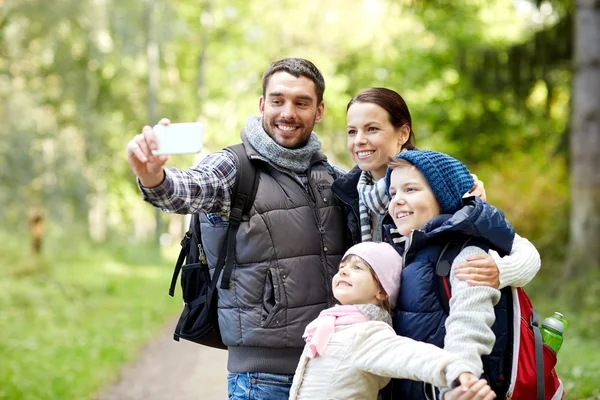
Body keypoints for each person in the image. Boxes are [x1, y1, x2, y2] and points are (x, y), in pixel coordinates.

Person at [127, 58, 348, 400]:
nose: (288, 112)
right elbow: (187, 189)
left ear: (318, 112)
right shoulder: (235, 165)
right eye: (278, 101)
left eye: (301, 103)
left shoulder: (329, 174)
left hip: (331, 370)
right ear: (262, 104)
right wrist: (153, 176)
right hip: (264, 377)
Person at [331, 87, 540, 294]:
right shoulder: (344, 194)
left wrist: (500, 271)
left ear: (402, 133)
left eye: (372, 129)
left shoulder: (439, 181)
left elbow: (521, 249)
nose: (359, 140)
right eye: (352, 131)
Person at [383, 150, 523, 399]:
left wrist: (461, 376)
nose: (397, 200)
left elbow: (469, 322)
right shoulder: (409, 250)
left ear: (443, 196)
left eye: (411, 190)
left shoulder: (466, 253)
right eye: (393, 193)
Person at [289, 241, 497, 400]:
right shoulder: (330, 325)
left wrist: (455, 369)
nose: (343, 270)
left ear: (382, 291)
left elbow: (411, 356)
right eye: (342, 266)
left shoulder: (367, 333)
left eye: (358, 268)